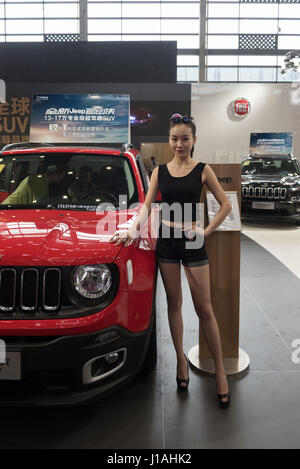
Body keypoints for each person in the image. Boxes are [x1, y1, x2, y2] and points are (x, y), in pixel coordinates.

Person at [110, 114, 232, 408]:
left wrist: (206, 230)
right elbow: (146, 207)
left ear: (194, 141)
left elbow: (226, 204)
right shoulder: (159, 172)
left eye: (185, 138)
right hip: (165, 243)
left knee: (205, 309)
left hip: (193, 242)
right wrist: (130, 229)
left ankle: (220, 372)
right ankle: (180, 362)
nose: (179, 144)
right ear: (169, 140)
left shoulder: (203, 170)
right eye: (175, 138)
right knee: (174, 305)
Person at [1, 164, 66, 205]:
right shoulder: (40, 183)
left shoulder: (36, 179)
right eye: (63, 175)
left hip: (9, 208)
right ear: (56, 174)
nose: (62, 178)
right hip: (10, 211)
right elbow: (39, 206)